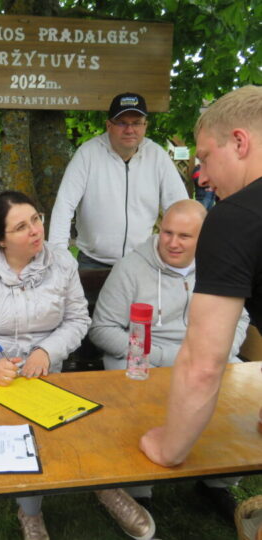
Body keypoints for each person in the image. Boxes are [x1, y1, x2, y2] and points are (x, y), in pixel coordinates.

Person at [0, 191, 156, 540]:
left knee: (90, 419)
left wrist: (46, 351)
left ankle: (106, 487)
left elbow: (77, 319)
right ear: (0, 239)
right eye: (20, 227)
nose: (34, 230)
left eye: (36, 219)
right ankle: (31, 513)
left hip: (45, 372)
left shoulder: (62, 263)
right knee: (26, 431)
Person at [90, 199, 249, 522]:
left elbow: (241, 319)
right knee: (139, 401)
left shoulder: (220, 264)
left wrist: (217, 352)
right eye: (167, 233)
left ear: (204, 238)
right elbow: (102, 329)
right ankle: (139, 490)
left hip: (204, 356)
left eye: (185, 236)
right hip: (143, 358)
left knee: (237, 399)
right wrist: (162, 357)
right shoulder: (131, 269)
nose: (173, 243)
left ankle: (217, 482)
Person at [139, 86, 262, 475]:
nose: (203, 177)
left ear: (240, 142)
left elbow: (203, 363)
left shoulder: (234, 219)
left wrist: (169, 448)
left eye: (205, 157)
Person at [49, 92, 188, 268]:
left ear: (145, 125)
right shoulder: (87, 154)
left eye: (136, 123)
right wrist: (59, 258)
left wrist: (178, 253)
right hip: (93, 261)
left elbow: (179, 207)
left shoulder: (157, 156)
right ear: (109, 125)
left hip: (141, 261)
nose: (129, 130)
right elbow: (64, 205)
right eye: (122, 122)